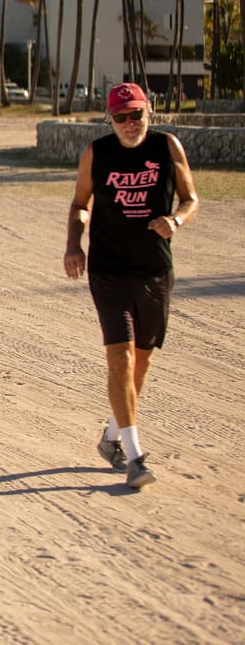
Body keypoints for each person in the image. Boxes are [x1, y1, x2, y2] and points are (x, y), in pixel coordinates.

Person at [64, 82, 198, 490]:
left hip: (155, 271)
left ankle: (111, 436)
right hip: (108, 271)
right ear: (110, 119)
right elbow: (80, 204)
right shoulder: (97, 153)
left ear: (148, 112)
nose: (128, 124)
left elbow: (191, 198)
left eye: (135, 114)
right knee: (120, 359)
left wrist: (175, 221)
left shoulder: (167, 147)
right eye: (119, 117)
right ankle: (135, 456)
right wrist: (74, 244)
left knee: (142, 362)